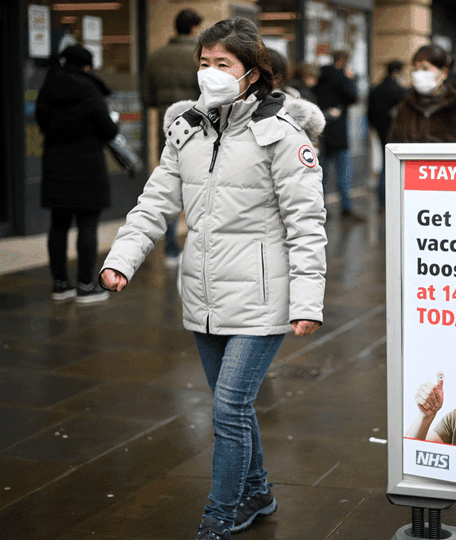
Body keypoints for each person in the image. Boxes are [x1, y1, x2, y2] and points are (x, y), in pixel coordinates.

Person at [99, 17, 327, 540]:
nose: (210, 74)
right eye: (204, 64)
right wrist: (122, 258)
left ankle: (219, 516)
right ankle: (258, 491)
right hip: (202, 294)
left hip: (263, 297)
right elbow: (155, 203)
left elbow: (307, 226)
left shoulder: (283, 136)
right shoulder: (188, 129)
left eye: (222, 64)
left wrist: (307, 302)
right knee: (235, 406)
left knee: (228, 407)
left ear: (252, 72)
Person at [35, 44, 118, 303]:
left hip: (56, 163)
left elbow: (40, 121)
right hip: (87, 166)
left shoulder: (48, 86)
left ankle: (60, 284)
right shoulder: (90, 88)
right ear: (86, 66)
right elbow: (108, 130)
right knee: (87, 223)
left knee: (58, 224)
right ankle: (85, 285)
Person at [142, 8, 203, 268]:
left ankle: (170, 248)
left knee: (170, 186)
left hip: (168, 129)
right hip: (199, 128)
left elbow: (148, 98)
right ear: (193, 29)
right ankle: (198, 248)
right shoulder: (199, 57)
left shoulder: (155, 57)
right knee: (199, 188)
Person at [388, 44, 456, 144]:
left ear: (443, 73)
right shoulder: (406, 107)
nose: (418, 74)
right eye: (415, 69)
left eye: (425, 68)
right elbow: (395, 145)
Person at [315, 50, 364, 221]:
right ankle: (346, 208)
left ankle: (321, 209)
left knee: (322, 174)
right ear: (343, 60)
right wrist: (352, 79)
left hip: (321, 131)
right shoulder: (341, 77)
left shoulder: (320, 76)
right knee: (344, 172)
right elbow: (353, 97)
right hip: (338, 132)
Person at [367, 60, 407, 208]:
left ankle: (382, 199)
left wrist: (376, 126)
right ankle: (390, 199)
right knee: (393, 165)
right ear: (396, 72)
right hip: (396, 133)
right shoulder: (399, 91)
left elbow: (369, 113)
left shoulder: (376, 89)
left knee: (385, 163)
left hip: (380, 131)